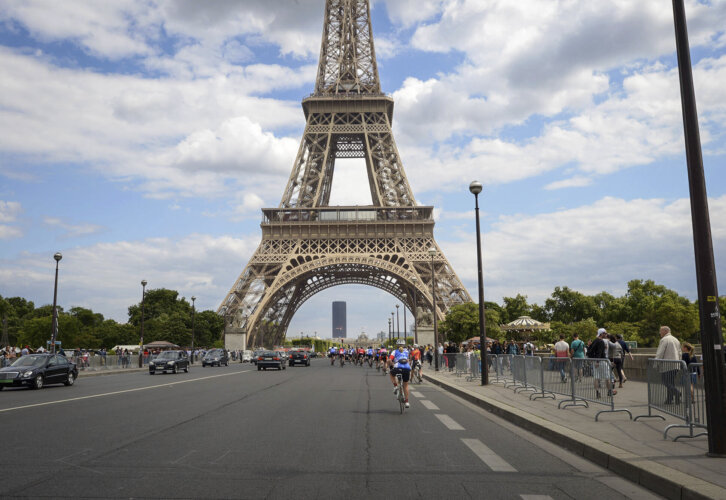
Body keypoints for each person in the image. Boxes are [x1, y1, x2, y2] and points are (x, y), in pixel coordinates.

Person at [655, 325, 682, 404]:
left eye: (661, 331)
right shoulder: (676, 339)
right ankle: (670, 399)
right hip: (676, 364)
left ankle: (677, 393)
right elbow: (680, 353)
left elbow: (660, 353)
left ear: (665, 331)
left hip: (667, 365)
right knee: (671, 382)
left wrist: (656, 364)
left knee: (665, 382)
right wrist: (679, 362)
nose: (660, 333)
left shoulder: (664, 340)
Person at [588, 328, 616, 397]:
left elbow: (590, 350)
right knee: (607, 377)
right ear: (601, 333)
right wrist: (598, 361)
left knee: (596, 377)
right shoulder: (601, 341)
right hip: (601, 361)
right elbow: (599, 352)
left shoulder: (595, 341)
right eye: (605, 333)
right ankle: (610, 391)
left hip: (595, 361)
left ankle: (597, 392)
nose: (606, 335)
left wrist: (593, 359)